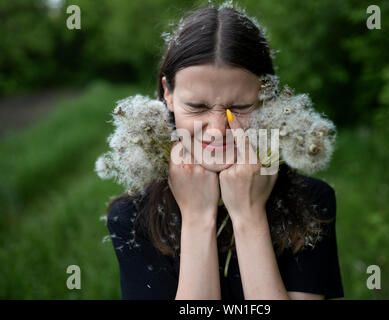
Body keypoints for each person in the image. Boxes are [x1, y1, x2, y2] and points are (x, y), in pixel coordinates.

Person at [105, 5, 344, 300]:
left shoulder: (310, 203)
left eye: (240, 108)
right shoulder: (132, 218)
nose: (218, 129)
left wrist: (248, 216)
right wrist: (197, 218)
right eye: (197, 107)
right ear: (168, 93)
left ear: (265, 96)